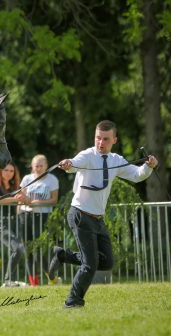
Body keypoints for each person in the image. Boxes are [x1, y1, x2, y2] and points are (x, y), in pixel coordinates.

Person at [53, 120, 158, 308]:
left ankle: (63, 256)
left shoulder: (116, 160)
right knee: (90, 265)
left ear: (114, 140)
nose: (101, 143)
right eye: (98, 138)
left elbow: (137, 174)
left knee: (106, 261)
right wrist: (68, 164)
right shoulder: (87, 155)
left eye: (106, 139)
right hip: (80, 214)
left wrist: (149, 166)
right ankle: (72, 301)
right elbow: (75, 163)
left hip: (98, 219)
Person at [15, 154, 59, 285]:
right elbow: (21, 197)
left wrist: (36, 202)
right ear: (32, 167)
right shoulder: (27, 178)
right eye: (36, 166)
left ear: (46, 166)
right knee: (27, 249)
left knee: (38, 250)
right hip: (25, 215)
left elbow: (54, 199)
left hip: (42, 216)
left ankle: (51, 276)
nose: (38, 168)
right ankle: (33, 282)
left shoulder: (52, 179)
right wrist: (19, 212)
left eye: (41, 165)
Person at [0, 162, 26, 287]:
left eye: (11, 171)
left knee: (16, 249)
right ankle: (8, 281)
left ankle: (10, 280)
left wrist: (23, 196)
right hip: (0, 223)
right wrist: (15, 199)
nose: (9, 173)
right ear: (0, 171)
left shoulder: (14, 186)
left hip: (13, 222)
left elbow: (27, 199)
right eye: (6, 170)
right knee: (18, 248)